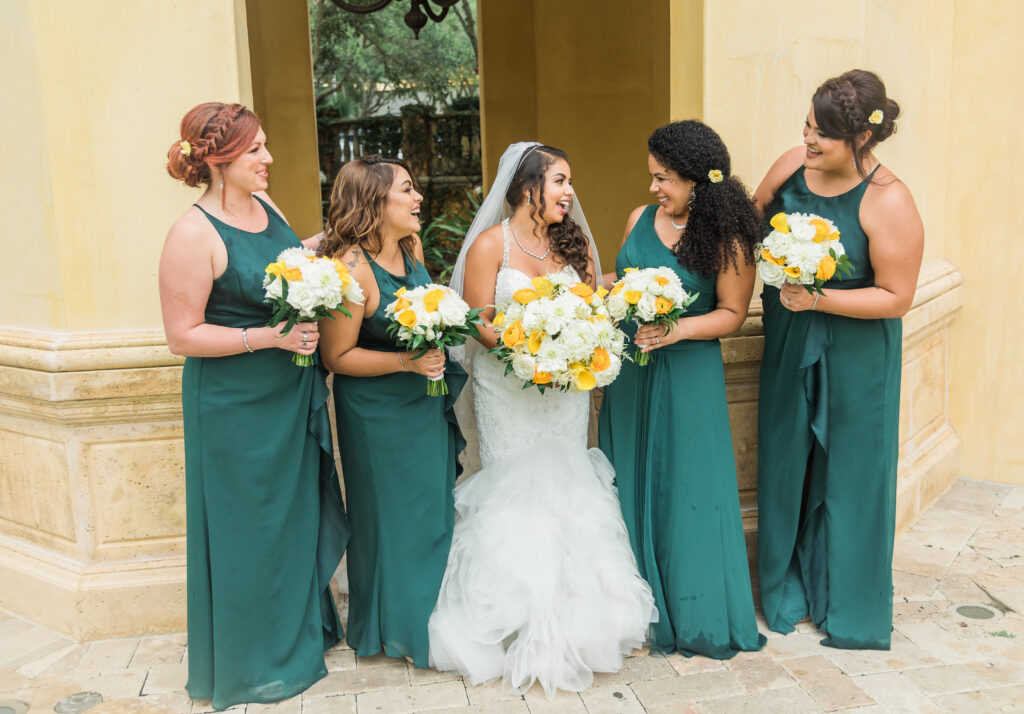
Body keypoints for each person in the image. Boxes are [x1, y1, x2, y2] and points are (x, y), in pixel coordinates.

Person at [429, 142, 657, 699]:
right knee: (514, 491)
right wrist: (526, 349)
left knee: (569, 485)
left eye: (569, 181)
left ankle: (582, 622)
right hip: (508, 390)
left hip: (565, 393)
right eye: (559, 181)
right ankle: (511, 623)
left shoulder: (571, 244)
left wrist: (570, 353)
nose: (568, 192)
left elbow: (593, 314)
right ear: (528, 186)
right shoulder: (490, 245)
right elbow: (477, 322)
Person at [160, 102, 347, 710]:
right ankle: (251, 661)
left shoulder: (267, 208)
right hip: (233, 408)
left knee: (290, 519)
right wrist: (268, 338)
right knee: (247, 529)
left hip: (287, 394)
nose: (269, 159)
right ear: (219, 160)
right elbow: (182, 336)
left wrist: (334, 246)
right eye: (256, 151)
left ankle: (296, 639)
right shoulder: (192, 234)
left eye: (265, 146)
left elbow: (285, 263)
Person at [753, 69, 924, 649]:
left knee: (852, 474)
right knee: (783, 460)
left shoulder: (889, 200)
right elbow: (753, 220)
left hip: (856, 351)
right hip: (789, 338)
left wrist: (818, 296)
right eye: (806, 125)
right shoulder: (789, 167)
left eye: (822, 133)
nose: (808, 140)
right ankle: (784, 590)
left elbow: (897, 296)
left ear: (863, 140)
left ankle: (848, 606)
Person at [597, 121, 766, 659]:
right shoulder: (638, 219)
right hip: (631, 372)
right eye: (652, 177)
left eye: (664, 178)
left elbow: (732, 314)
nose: (654, 189)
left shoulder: (729, 238)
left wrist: (677, 329)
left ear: (698, 180)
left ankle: (694, 612)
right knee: (628, 478)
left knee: (687, 487)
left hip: (688, 373)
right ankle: (632, 611)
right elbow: (616, 282)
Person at [318, 156, 467, 667]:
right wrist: (407, 360)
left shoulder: (412, 246)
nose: (418, 196)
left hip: (423, 402)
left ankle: (429, 615)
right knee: (387, 519)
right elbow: (336, 356)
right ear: (375, 203)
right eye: (407, 189)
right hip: (376, 414)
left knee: (429, 511)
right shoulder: (352, 268)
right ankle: (390, 628)